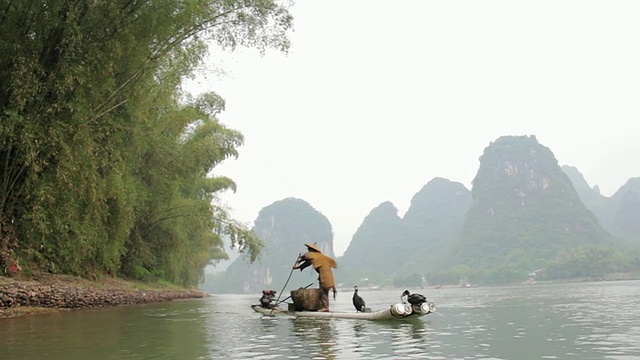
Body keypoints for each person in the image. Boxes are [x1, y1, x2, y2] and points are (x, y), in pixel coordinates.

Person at [292, 243, 337, 312]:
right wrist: (298, 267)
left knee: (323, 291)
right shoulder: (319, 257)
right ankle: (325, 306)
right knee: (324, 292)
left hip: (325, 276)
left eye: (309, 249)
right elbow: (308, 263)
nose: (308, 251)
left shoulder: (313, 256)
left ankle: (325, 307)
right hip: (328, 275)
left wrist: (300, 260)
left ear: (312, 250)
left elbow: (306, 258)